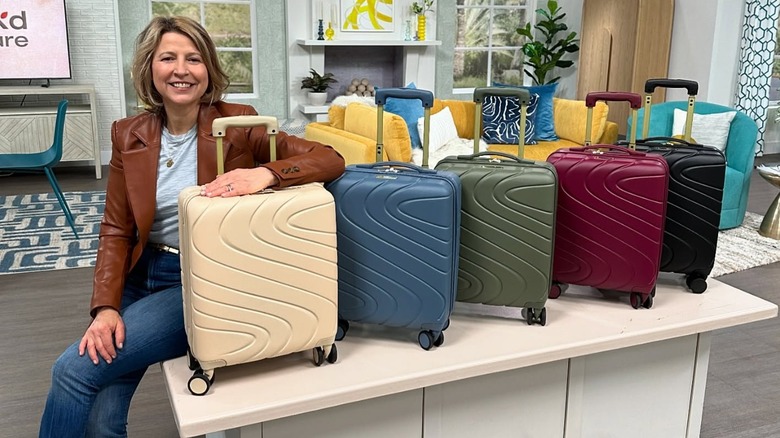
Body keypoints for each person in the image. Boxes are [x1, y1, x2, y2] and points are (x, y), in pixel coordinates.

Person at [39, 16, 345, 438]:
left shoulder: (240, 126)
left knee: (73, 371)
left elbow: (329, 157)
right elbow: (116, 228)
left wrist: (267, 174)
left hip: (196, 281)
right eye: (168, 58)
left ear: (209, 70)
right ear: (150, 67)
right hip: (136, 275)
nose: (181, 69)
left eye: (193, 59)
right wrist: (105, 307)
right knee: (100, 416)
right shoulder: (128, 134)